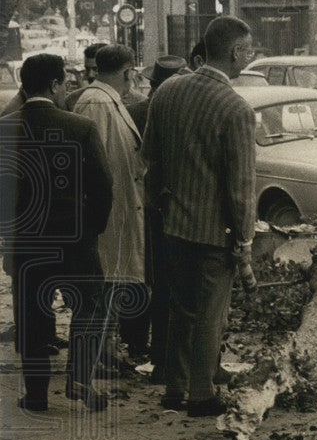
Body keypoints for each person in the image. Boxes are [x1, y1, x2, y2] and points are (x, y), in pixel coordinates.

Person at [142, 17, 257, 417]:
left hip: (172, 223)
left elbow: (149, 161)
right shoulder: (236, 109)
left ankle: (175, 388)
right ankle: (203, 393)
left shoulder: (167, 91)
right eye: (249, 48)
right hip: (214, 231)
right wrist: (245, 241)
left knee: (180, 308)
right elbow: (241, 186)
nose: (251, 54)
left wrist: (161, 205)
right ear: (235, 53)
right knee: (211, 314)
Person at [0, 54, 114, 411]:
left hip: (26, 242)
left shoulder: (4, 128)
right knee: (90, 307)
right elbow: (103, 188)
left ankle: (35, 395)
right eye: (65, 82)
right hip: (75, 240)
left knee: (31, 318)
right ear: (53, 85)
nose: (67, 89)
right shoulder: (79, 127)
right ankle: (79, 378)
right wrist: (91, 229)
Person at [72, 44, 147, 368]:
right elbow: (89, 163)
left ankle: (106, 350)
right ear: (128, 72)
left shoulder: (102, 100)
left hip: (116, 210)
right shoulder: (96, 103)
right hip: (107, 215)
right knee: (104, 284)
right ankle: (99, 355)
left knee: (112, 282)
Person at [127, 55, 190, 383]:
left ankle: (142, 346)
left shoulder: (138, 109)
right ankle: (164, 356)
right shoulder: (173, 110)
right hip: (166, 206)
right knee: (167, 284)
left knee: (145, 276)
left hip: (143, 203)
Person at [64, 42, 109, 112]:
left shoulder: (127, 98)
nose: (90, 75)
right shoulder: (72, 100)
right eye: (87, 69)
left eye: (96, 69)